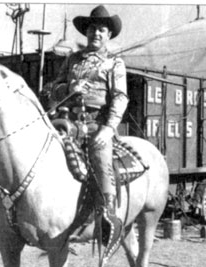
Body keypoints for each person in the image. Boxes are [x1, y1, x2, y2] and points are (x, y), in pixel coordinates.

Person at [51, 5, 129, 246]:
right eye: (93, 29)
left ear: (109, 35)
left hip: (97, 124)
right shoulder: (73, 60)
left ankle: (108, 217)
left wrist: (108, 128)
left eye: (102, 30)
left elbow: (120, 97)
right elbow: (53, 89)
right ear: (87, 32)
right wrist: (68, 89)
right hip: (68, 120)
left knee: (100, 156)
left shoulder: (115, 63)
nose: (96, 33)